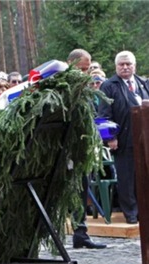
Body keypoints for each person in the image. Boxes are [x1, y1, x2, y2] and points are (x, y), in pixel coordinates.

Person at [99, 50, 149, 224]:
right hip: (123, 138)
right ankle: (131, 213)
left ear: (134, 66)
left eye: (128, 64)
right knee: (127, 178)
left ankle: (145, 211)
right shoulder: (109, 85)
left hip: (144, 139)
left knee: (144, 177)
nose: (125, 67)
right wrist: (110, 138)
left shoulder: (143, 83)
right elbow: (104, 115)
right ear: (116, 66)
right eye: (122, 64)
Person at [67, 49, 106, 249]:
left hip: (84, 148)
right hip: (68, 150)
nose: (84, 73)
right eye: (81, 68)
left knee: (82, 189)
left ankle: (80, 233)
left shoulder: (87, 89)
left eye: (87, 69)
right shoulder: (65, 88)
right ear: (71, 65)